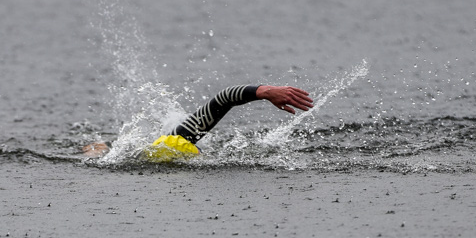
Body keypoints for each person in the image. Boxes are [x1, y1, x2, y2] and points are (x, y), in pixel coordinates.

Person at [82, 84, 313, 160]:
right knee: (102, 151)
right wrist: (264, 91)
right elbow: (223, 99)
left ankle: (97, 147)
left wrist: (264, 91)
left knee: (100, 151)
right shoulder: (179, 139)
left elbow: (223, 99)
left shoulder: (181, 138)